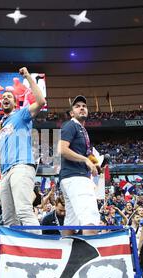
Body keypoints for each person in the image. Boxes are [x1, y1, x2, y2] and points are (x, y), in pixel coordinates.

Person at [0, 67, 46, 235]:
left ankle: (38, 248)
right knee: (9, 218)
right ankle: (16, 254)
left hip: (21, 166)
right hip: (5, 173)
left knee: (24, 210)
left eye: (9, 96)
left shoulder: (22, 114)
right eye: (3, 97)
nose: (5, 98)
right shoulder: (1, 125)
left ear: (15, 102)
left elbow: (41, 102)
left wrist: (27, 77)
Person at [58, 95, 100, 235]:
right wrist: (85, 160)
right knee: (90, 217)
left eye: (84, 106)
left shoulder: (82, 129)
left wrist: (93, 162)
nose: (82, 108)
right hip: (76, 177)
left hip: (71, 177)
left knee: (71, 220)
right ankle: (93, 255)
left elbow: (83, 152)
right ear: (71, 113)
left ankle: (67, 250)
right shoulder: (71, 125)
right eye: (77, 106)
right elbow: (62, 150)